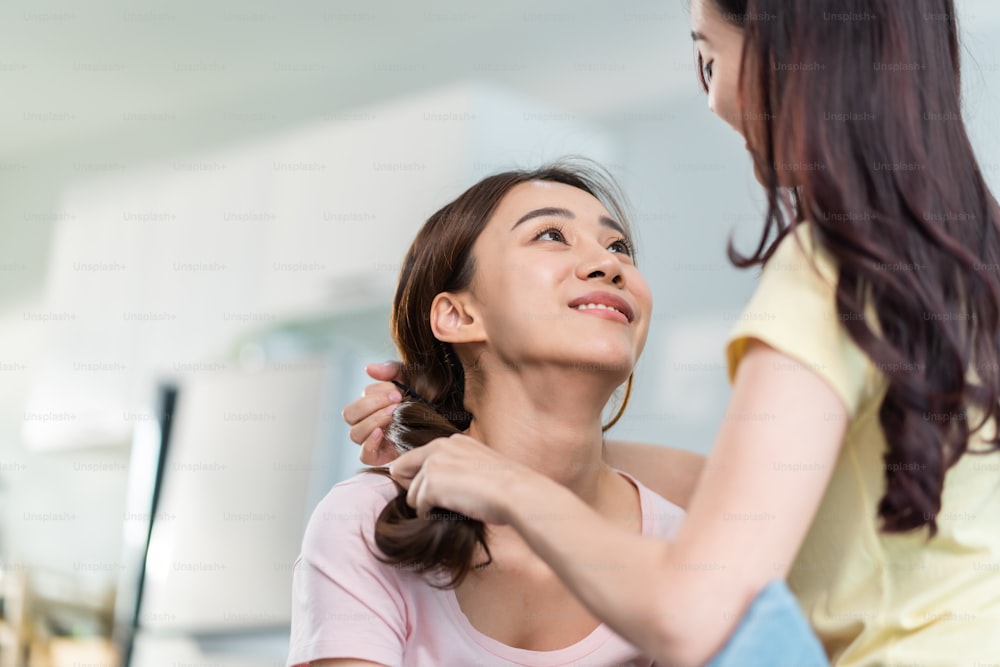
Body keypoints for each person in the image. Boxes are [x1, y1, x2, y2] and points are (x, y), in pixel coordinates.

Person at [342, 0, 1000, 665]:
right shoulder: (964, 263)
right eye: (549, 235)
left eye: (709, 57)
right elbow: (743, 486)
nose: (713, 101)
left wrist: (508, 484)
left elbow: (693, 611)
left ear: (783, 45)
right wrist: (452, 429)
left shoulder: (834, 268)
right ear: (456, 314)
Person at [287, 163, 692, 667]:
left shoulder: (687, 546)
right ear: (457, 315)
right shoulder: (369, 521)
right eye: (550, 234)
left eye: (618, 247)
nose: (608, 265)